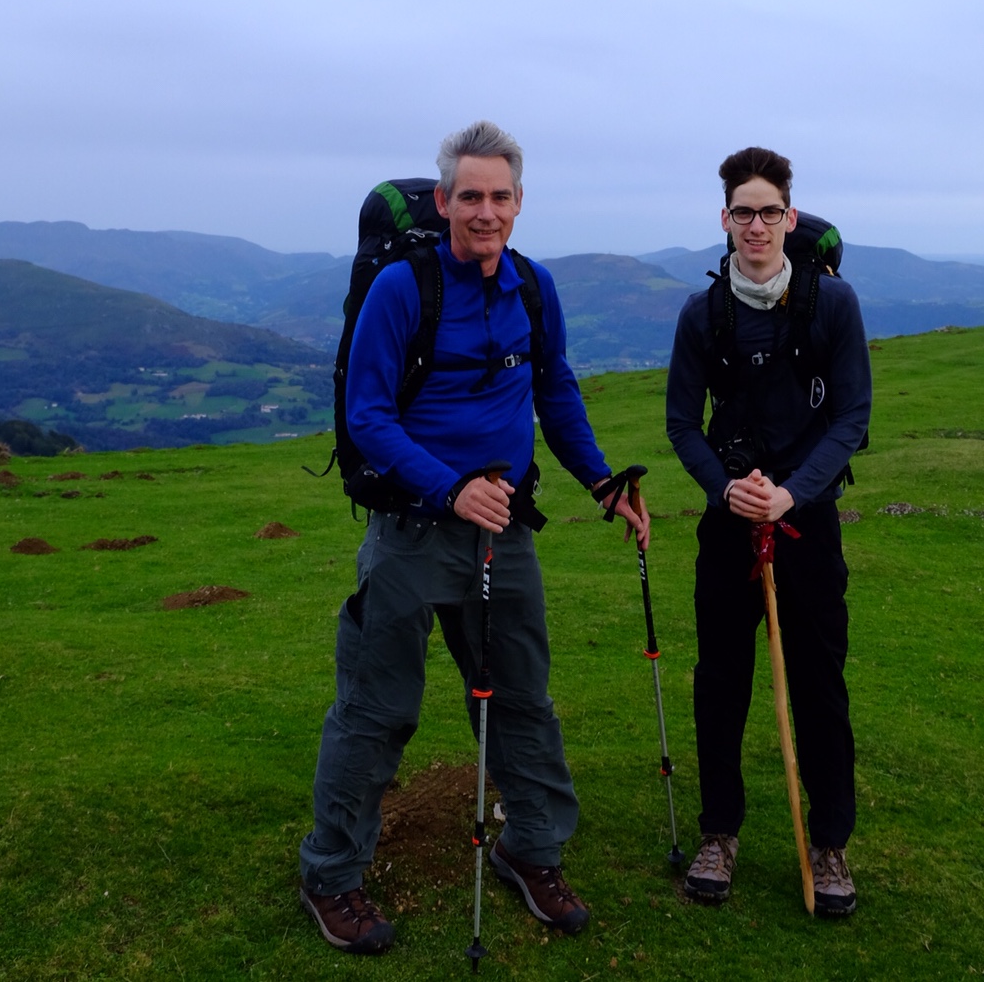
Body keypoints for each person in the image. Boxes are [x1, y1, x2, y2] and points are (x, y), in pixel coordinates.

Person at [297, 119, 652, 955]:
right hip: (414, 529)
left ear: (519, 202)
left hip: (506, 531)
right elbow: (367, 416)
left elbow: (554, 390)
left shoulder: (532, 287)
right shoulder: (401, 290)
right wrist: (450, 489)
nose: (485, 211)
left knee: (523, 699)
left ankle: (532, 851)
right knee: (377, 708)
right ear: (445, 201)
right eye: (469, 196)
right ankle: (332, 875)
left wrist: (600, 481)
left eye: (499, 196)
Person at [664, 146, 871, 918]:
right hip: (730, 524)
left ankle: (830, 844)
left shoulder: (832, 304)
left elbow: (851, 416)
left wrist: (791, 494)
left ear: (790, 216)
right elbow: (682, 423)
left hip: (807, 524)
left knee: (819, 684)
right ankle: (719, 834)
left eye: (770, 212)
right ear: (725, 219)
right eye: (744, 212)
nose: (757, 225)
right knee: (720, 681)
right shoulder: (703, 314)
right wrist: (727, 490)